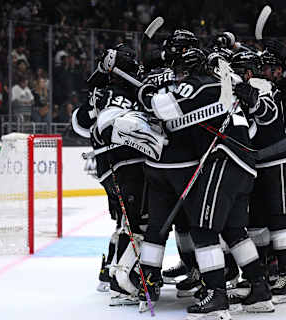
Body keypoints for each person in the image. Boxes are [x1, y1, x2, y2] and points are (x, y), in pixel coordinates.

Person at [136, 29, 274, 317]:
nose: (177, 76)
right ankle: (259, 289)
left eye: (179, 70)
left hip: (223, 160)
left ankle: (217, 295)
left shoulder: (199, 84)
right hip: (245, 164)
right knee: (234, 230)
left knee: (202, 228)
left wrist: (149, 88)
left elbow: (161, 108)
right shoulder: (225, 82)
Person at [72, 44, 149, 306]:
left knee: (123, 219)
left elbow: (81, 125)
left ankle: (109, 273)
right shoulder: (125, 91)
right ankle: (124, 279)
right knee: (137, 220)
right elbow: (81, 124)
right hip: (124, 162)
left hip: (107, 166)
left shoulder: (104, 91)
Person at [230, 49, 286, 304]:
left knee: (280, 219)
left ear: (250, 72)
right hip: (257, 163)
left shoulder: (260, 85)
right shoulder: (239, 87)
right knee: (255, 222)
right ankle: (264, 271)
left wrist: (252, 99)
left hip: (278, 161)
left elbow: (269, 116)